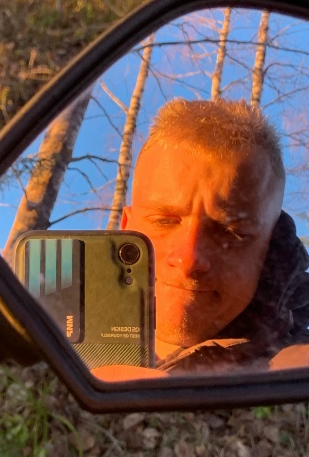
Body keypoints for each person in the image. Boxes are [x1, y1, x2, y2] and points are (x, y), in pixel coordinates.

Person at [95, 98, 309, 379]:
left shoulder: (294, 373)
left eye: (231, 231)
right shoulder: (52, 338)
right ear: (126, 229)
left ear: (270, 249)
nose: (188, 260)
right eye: (164, 221)